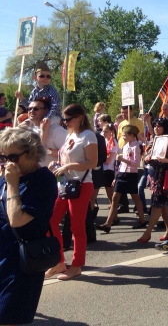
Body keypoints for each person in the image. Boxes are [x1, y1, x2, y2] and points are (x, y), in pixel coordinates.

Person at [0, 128, 57, 325]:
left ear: (31, 152)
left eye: (13, 156)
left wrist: (12, 184)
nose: (8, 162)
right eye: (4, 157)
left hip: (21, 263)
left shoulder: (43, 180)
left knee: (8, 317)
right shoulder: (6, 177)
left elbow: (16, 219)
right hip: (2, 255)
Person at [46, 104, 98, 280]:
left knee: (76, 227)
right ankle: (59, 261)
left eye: (68, 119)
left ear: (79, 118)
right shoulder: (71, 135)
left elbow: (92, 162)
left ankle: (76, 265)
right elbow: (64, 157)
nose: (65, 122)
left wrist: (68, 166)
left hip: (81, 185)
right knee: (51, 221)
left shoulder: (88, 136)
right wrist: (58, 164)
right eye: (64, 119)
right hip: (65, 184)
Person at [97, 124, 147, 233]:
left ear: (132, 135)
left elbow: (136, 163)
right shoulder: (125, 146)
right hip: (122, 174)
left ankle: (142, 220)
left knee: (135, 198)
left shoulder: (136, 147)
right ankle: (108, 223)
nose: (123, 137)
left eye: (125, 135)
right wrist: (117, 176)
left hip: (131, 175)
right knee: (115, 198)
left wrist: (123, 160)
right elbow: (121, 165)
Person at [137, 118, 168, 244]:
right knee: (163, 205)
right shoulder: (155, 139)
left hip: (164, 177)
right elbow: (148, 154)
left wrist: (165, 160)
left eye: (159, 126)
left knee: (157, 204)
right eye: (155, 126)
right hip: (154, 175)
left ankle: (148, 232)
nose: (157, 128)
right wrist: (147, 156)